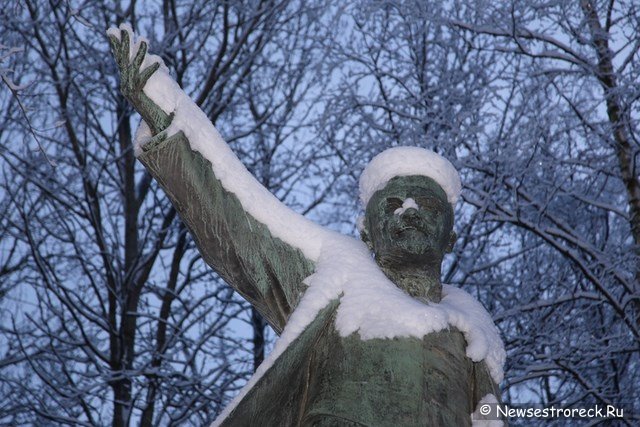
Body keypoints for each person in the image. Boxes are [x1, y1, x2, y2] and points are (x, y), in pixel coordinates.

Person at [108, 25, 505, 426]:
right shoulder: (338, 277)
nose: (410, 211)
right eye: (393, 203)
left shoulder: (475, 333)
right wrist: (167, 119)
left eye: (429, 205)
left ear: (451, 237)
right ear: (365, 231)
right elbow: (239, 224)